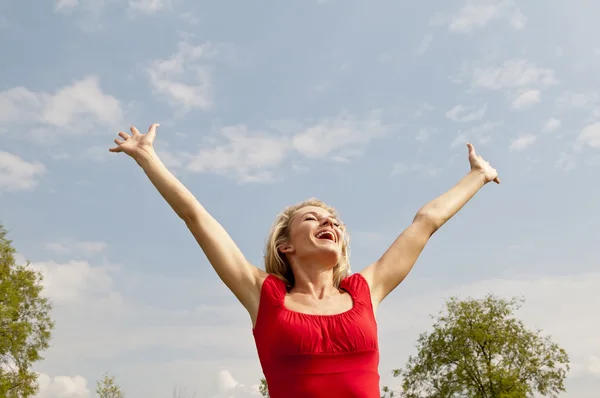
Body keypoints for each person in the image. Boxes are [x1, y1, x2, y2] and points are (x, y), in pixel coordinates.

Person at [109, 123, 500, 398]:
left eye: (334, 220)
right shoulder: (263, 296)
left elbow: (425, 222)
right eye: (311, 218)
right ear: (286, 246)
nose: (328, 221)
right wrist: (148, 159)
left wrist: (477, 176)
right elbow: (195, 216)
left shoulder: (367, 289)